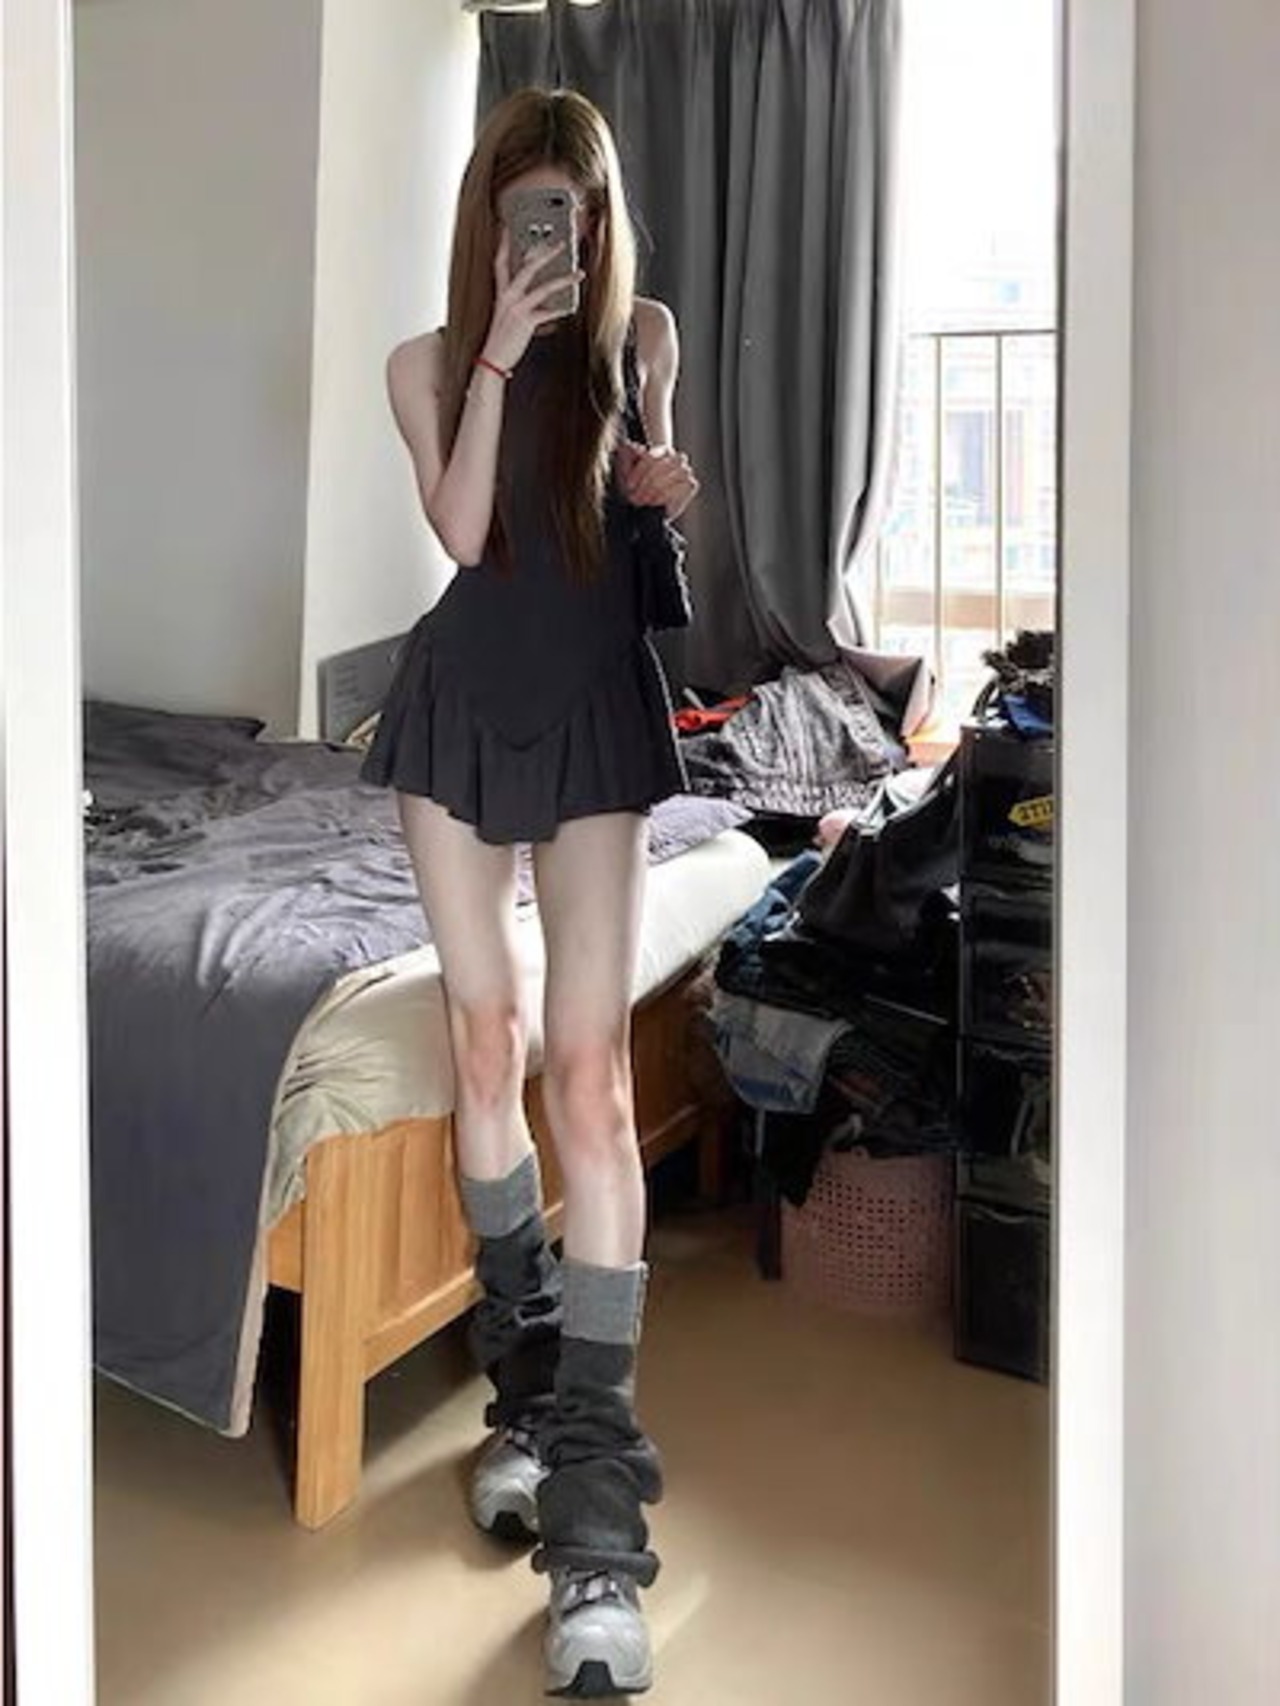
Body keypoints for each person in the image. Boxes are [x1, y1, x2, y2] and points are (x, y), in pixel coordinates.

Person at [359, 87, 699, 1699]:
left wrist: (665, 485)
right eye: (528, 212)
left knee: (590, 1074)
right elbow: (463, 528)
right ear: (489, 219)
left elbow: (635, 533)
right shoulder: (424, 365)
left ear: (603, 217)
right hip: (459, 708)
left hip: (594, 712)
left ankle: (595, 1525)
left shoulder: (646, 342)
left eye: (576, 211)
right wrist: (497, 353)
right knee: (483, 1040)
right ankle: (527, 1395)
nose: (556, 237)